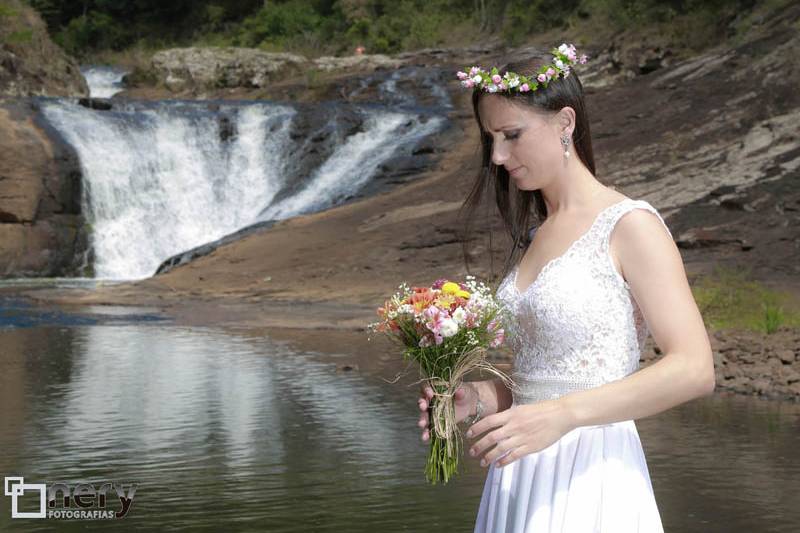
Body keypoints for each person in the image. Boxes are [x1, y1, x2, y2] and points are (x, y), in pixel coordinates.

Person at [417, 43, 716, 532]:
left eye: (512, 135)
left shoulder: (629, 225)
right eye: (491, 138)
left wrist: (561, 415)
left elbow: (694, 368)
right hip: (520, 472)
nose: (497, 156)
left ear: (565, 123)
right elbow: (545, 375)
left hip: (592, 471)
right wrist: (483, 398)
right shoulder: (536, 233)